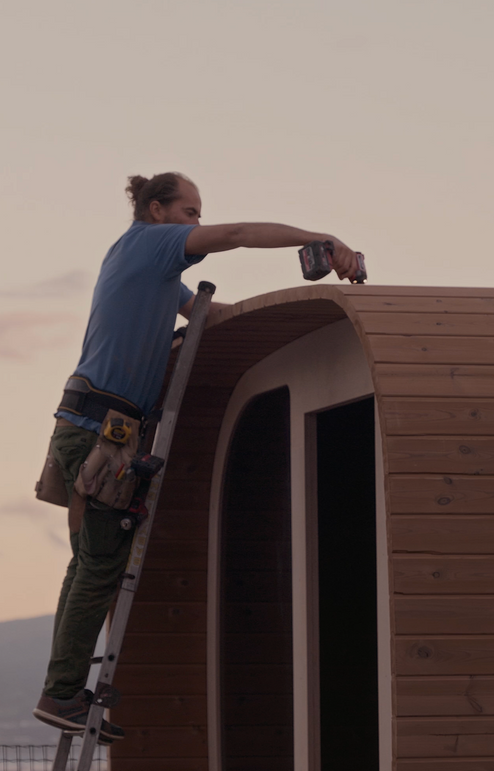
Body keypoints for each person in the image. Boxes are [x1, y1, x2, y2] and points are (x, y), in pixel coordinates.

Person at [32, 172, 359, 738]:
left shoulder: (148, 269)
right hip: (99, 433)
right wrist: (319, 237)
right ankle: (61, 695)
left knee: (87, 565)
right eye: (189, 212)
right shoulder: (150, 244)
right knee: (101, 567)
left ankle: (61, 691)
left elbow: (208, 316)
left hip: (87, 426)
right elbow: (234, 234)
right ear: (156, 211)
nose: (198, 225)